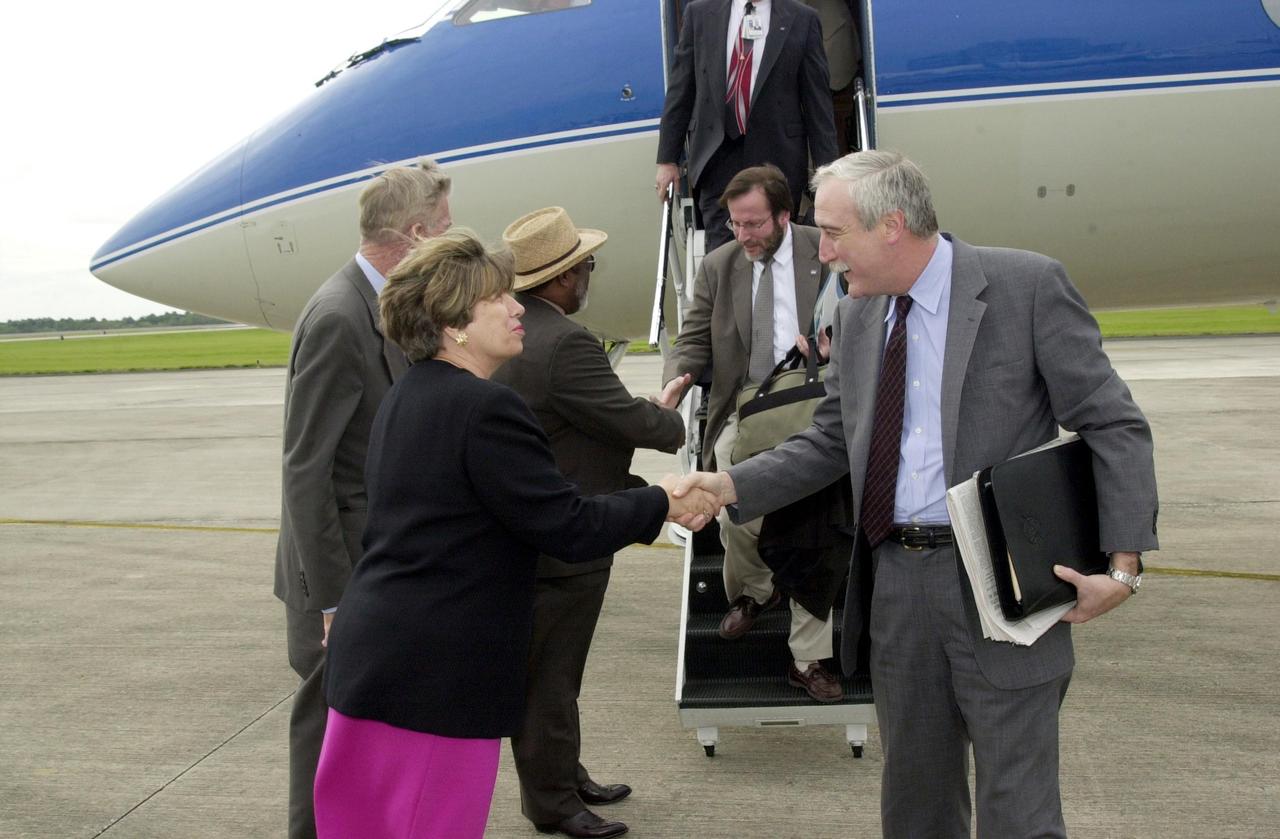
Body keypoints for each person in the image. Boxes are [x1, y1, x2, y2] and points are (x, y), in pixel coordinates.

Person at [675, 150, 1159, 838]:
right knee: (916, 807)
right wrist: (729, 484)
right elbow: (831, 442)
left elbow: (1113, 422)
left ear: (892, 226)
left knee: (1018, 813)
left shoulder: (1025, 287)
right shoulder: (858, 320)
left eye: (837, 234)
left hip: (1004, 585)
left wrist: (1123, 565)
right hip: (898, 586)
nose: (827, 252)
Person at [314, 231, 715, 839]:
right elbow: (568, 527)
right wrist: (662, 500)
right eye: (497, 297)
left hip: (376, 661)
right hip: (433, 680)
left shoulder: (408, 394)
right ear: (454, 325)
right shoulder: (484, 408)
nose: (517, 306)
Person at [492, 207, 688, 839]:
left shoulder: (519, 333)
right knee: (552, 676)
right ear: (559, 279)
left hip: (535, 531)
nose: (589, 280)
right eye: (586, 268)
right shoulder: (565, 342)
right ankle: (552, 803)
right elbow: (622, 419)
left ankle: (564, 774)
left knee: (555, 671)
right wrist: (669, 418)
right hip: (568, 538)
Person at [273, 160, 452, 839]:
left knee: (368, 739)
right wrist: (331, 599)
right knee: (324, 735)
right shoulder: (338, 317)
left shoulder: (380, 307)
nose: (448, 239)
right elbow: (306, 473)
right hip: (339, 577)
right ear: (411, 235)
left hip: (376, 568)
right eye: (441, 229)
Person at [661, 164, 841, 702]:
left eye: (754, 224)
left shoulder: (824, 250)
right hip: (746, 405)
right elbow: (692, 339)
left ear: (785, 215)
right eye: (735, 225)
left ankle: (809, 660)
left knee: (817, 525)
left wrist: (838, 345)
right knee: (738, 500)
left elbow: (871, 313)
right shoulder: (719, 266)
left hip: (817, 401)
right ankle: (754, 592)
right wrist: (676, 380)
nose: (743, 236)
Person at [655, 0, 838, 251]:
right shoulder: (699, 14)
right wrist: (667, 159)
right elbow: (680, 90)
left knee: (774, 251)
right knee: (725, 257)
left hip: (777, 163)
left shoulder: (802, 19)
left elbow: (819, 105)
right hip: (715, 159)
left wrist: (828, 174)